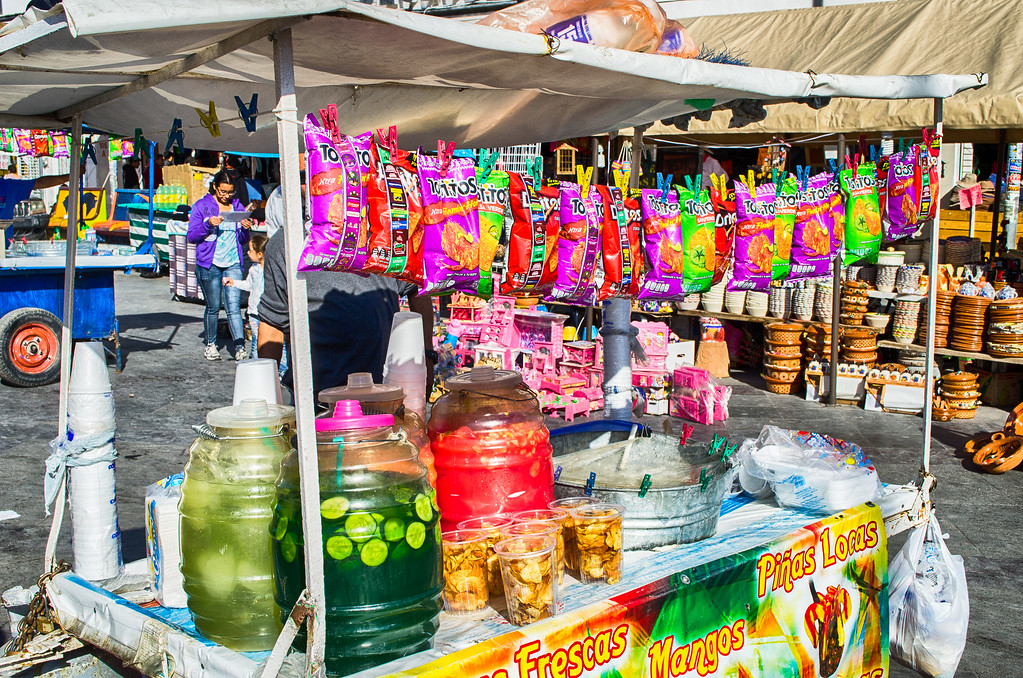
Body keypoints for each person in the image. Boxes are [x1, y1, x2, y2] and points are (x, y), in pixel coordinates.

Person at [258, 228, 435, 400]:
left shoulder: (385, 226)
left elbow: (416, 287)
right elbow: (273, 322)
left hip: (382, 397)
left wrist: (426, 356)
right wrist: (266, 400)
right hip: (316, 402)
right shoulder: (288, 240)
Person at [187, 171, 253, 361]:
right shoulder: (202, 206)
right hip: (210, 263)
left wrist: (245, 228)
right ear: (215, 187)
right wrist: (208, 225)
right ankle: (210, 343)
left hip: (232, 261)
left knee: (234, 307)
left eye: (230, 192)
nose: (226, 196)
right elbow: (191, 236)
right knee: (213, 306)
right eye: (223, 191)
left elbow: (242, 239)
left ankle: (240, 346)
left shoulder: (237, 206)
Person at [224, 233, 268, 360]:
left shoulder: (270, 269)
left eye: (251, 250)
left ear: (259, 254)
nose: (248, 252)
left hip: (267, 311)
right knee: (255, 341)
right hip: (254, 312)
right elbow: (249, 285)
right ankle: (255, 363)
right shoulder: (254, 269)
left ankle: (281, 369)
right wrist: (234, 283)